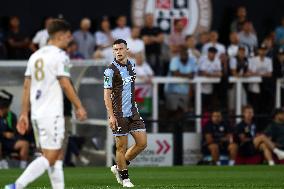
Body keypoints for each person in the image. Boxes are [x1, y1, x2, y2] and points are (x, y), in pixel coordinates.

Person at [4, 19, 87, 189]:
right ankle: (16, 186)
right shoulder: (60, 56)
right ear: (60, 36)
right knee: (50, 156)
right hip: (52, 114)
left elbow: (27, 86)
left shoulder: (35, 56)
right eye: (68, 37)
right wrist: (79, 106)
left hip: (37, 114)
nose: (69, 40)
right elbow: (65, 83)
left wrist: (23, 114)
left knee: (55, 158)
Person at [104, 39, 147, 187]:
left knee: (142, 143)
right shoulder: (110, 70)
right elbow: (106, 94)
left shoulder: (132, 65)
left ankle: (118, 166)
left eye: (121, 49)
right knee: (121, 147)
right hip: (119, 114)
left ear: (126, 50)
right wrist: (111, 115)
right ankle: (125, 178)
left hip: (133, 112)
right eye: (115, 49)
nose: (118, 52)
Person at [0, 90, 29, 169]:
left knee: (24, 144)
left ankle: (22, 167)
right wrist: (3, 134)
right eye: (7, 109)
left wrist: (12, 133)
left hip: (8, 141)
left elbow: (13, 130)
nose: (9, 110)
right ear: (2, 109)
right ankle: (2, 163)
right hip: (1, 140)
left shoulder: (8, 118)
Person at [165, 46, 197, 116]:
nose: (184, 54)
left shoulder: (192, 60)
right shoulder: (174, 60)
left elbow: (193, 74)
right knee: (172, 111)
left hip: (185, 91)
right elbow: (175, 73)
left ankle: (180, 126)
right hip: (172, 91)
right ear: (179, 53)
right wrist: (187, 75)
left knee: (183, 111)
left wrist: (190, 95)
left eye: (185, 52)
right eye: (182, 53)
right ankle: (169, 126)